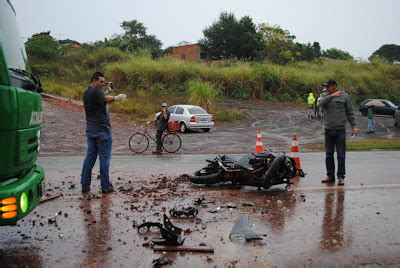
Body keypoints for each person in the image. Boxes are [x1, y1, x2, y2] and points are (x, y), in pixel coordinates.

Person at [81, 71, 126, 194]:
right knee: (104, 160)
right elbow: (105, 98)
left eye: (103, 82)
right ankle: (105, 186)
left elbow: (101, 100)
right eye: (100, 81)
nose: (102, 84)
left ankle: (85, 185)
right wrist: (117, 98)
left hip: (90, 131)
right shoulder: (97, 91)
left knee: (89, 159)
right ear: (94, 81)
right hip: (102, 132)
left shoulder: (86, 93)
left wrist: (107, 94)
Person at [319, 79, 358, 186]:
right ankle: (330, 176)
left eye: (328, 87)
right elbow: (321, 104)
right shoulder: (324, 95)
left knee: (341, 155)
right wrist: (331, 96)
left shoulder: (344, 96)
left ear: (334, 86)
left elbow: (350, 112)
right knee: (329, 155)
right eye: (325, 87)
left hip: (340, 130)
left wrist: (354, 126)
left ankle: (341, 177)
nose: (326, 89)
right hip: (328, 130)